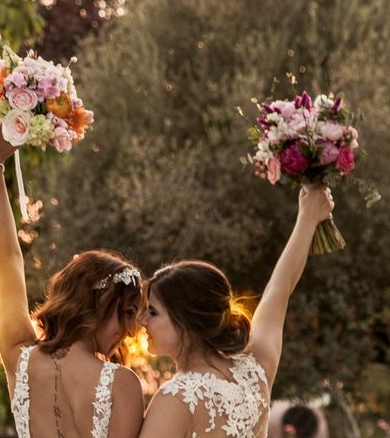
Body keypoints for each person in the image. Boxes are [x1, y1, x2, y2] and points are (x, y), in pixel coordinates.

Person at [0, 123, 144, 438]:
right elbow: (10, 258)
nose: (131, 330)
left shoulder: (19, 355)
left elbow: (8, 258)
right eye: (126, 312)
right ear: (98, 302)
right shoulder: (122, 384)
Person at [138, 186, 334, 438]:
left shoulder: (175, 399)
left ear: (186, 321)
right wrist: (307, 218)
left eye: (153, 312)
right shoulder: (255, 369)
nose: (142, 321)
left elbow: (279, 288)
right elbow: (279, 289)